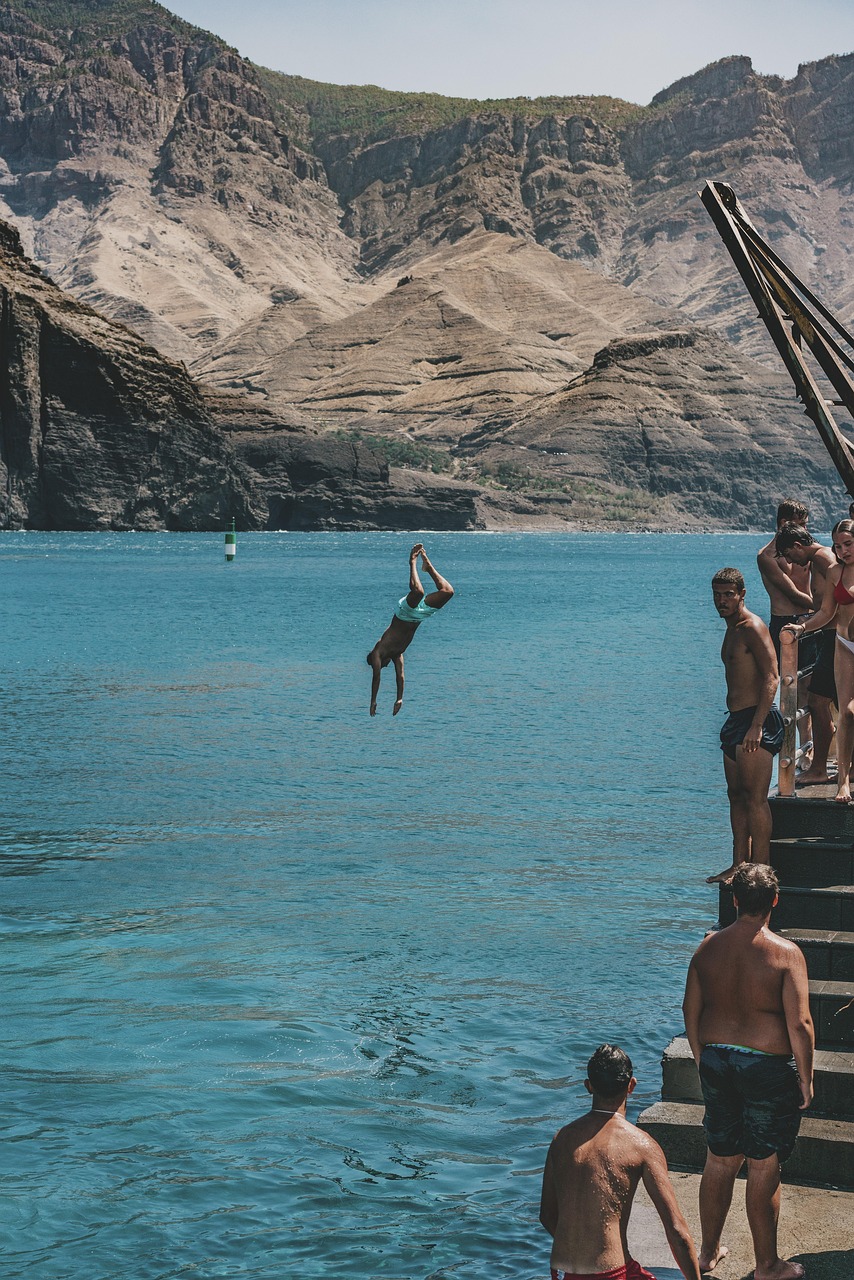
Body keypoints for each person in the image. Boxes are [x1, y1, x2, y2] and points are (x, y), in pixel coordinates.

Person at [682, 864, 813, 1280]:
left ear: (734, 899)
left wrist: (701, 1055)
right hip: (767, 1067)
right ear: (774, 900)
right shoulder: (786, 954)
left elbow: (690, 1010)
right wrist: (806, 1078)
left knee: (719, 1160)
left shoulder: (707, 948)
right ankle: (767, 1265)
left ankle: (707, 1253)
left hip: (717, 1060)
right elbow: (800, 1024)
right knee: (762, 1163)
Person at [539, 1044, 701, 1280]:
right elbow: (677, 1231)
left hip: (565, 1273)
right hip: (614, 1273)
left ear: (588, 1086)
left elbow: (546, 1216)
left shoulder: (561, 1138)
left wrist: (584, 1250)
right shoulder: (641, 1145)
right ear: (631, 1086)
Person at [708, 568, 783, 884]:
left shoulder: (752, 626)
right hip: (735, 722)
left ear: (742, 594)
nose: (722, 601)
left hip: (756, 720)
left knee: (755, 798)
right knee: (735, 795)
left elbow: (771, 675)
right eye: (718, 595)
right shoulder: (731, 629)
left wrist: (757, 724)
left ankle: (762, 870)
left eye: (729, 594)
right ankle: (739, 864)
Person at [784, 517, 854, 801]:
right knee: (847, 712)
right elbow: (826, 613)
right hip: (844, 644)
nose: (843, 551)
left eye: (848, 544)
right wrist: (802, 627)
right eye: (838, 546)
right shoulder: (836, 571)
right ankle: (843, 783)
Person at [774, 523, 837, 785]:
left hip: (835, 639)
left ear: (798, 546)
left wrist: (802, 627)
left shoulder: (823, 559)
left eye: (789, 554)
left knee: (819, 702)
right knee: (833, 703)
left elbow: (832, 606)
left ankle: (819, 768)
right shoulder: (819, 559)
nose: (790, 561)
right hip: (831, 637)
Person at [757, 501, 815, 767]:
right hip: (784, 622)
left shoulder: (806, 548)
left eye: (806, 524)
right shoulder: (767, 556)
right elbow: (791, 592)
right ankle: (785, 750)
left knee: (808, 687)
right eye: (799, 524)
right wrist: (830, 608)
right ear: (783, 524)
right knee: (786, 688)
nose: (805, 529)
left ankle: (808, 748)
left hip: (811, 621)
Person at [366, 544, 454, 716]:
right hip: (418, 616)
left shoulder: (377, 653)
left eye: (381, 666)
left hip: (404, 613)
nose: (382, 667)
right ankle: (428, 568)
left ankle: (412, 561)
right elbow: (400, 677)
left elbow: (376, 677)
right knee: (448, 591)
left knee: (418, 592)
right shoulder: (397, 654)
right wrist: (400, 698)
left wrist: (373, 701)